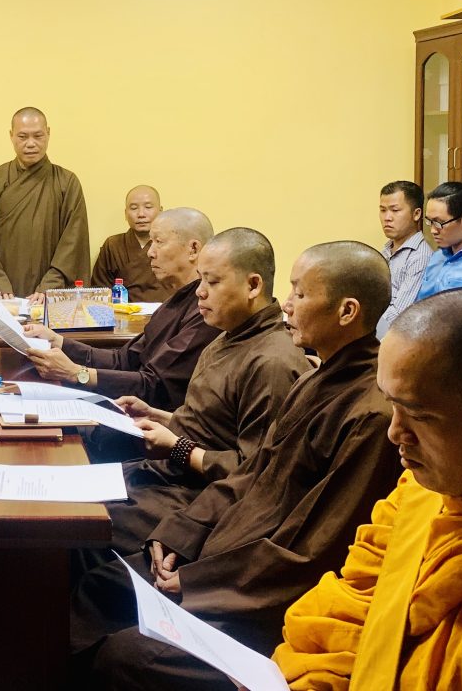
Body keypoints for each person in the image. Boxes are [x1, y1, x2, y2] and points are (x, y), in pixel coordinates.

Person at [70, 241, 402, 691]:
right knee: (103, 587)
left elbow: (314, 550)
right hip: (219, 548)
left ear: (347, 311)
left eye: (301, 293)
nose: (287, 304)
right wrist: (180, 533)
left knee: (127, 657)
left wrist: (198, 582)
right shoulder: (314, 381)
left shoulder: (371, 415)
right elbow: (252, 475)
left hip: (255, 593)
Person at [273, 289, 462, 690]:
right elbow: (347, 607)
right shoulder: (416, 492)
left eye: (419, 416)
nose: (394, 432)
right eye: (392, 404)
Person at [101, 228, 312, 555]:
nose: (199, 292)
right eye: (200, 279)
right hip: (173, 475)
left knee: (82, 522)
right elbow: (215, 425)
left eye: (212, 282)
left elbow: (255, 473)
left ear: (253, 285)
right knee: (80, 490)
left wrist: (177, 447)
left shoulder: (272, 362)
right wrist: (159, 416)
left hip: (203, 500)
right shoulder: (228, 335)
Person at [23, 208, 219, 412]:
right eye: (151, 242)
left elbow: (155, 386)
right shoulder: (174, 302)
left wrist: (76, 373)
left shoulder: (205, 311)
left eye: (159, 242)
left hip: (155, 420)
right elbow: (123, 359)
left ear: (193, 249)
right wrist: (58, 341)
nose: (150, 252)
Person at [0, 107, 90, 298]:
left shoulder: (67, 182)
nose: (31, 144)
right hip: (4, 294)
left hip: (50, 293)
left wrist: (49, 287)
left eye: (38, 136)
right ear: (11, 135)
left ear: (48, 133)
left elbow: (73, 242)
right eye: (22, 137)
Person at [90, 185, 168, 302]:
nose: (141, 214)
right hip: (121, 312)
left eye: (148, 207)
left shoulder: (172, 244)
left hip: (166, 311)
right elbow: (100, 290)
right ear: (126, 214)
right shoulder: (113, 245)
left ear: (161, 211)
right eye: (134, 208)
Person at [375, 180, 432, 339]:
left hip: (390, 339)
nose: (387, 218)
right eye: (383, 210)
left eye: (395, 210)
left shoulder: (420, 256)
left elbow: (398, 315)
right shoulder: (386, 250)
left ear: (416, 214)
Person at [415, 181, 462, 300]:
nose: (433, 230)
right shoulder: (438, 256)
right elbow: (420, 304)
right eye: (430, 221)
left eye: (439, 222)